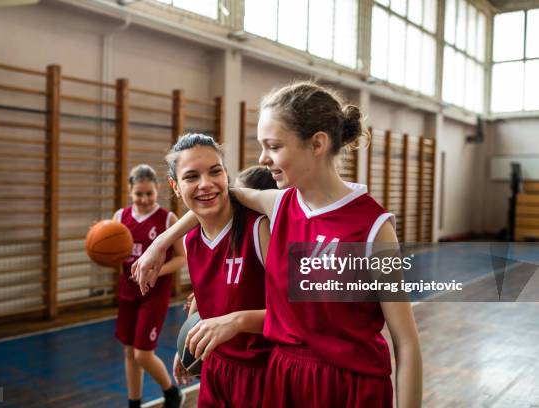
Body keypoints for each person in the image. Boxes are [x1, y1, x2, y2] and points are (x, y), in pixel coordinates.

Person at [132, 82, 422, 408]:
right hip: (284, 380)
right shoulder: (279, 205)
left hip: (349, 388)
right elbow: (217, 197)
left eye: (273, 146)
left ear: (317, 144)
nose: (262, 159)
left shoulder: (374, 228)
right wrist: (160, 243)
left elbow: (406, 342)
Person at [166, 134, 272, 408]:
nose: (206, 184)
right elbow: (205, 296)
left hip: (264, 373)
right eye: (191, 177)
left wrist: (235, 322)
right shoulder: (191, 240)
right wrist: (188, 342)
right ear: (175, 187)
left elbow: (296, 318)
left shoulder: (259, 229)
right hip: (216, 371)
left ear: (227, 175)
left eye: (215, 171)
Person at [112, 164, 186, 408]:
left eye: (149, 194)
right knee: (129, 351)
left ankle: (172, 392)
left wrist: (155, 270)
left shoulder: (167, 219)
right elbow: (114, 256)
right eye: (139, 194)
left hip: (154, 293)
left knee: (143, 353)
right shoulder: (119, 218)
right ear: (130, 191)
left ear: (157, 191)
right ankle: (134, 403)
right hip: (127, 292)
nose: (144, 199)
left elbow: (182, 257)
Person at [182, 165, 277, 312]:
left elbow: (293, 314)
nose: (232, 203)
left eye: (240, 198)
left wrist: (237, 321)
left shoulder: (261, 230)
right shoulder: (195, 237)